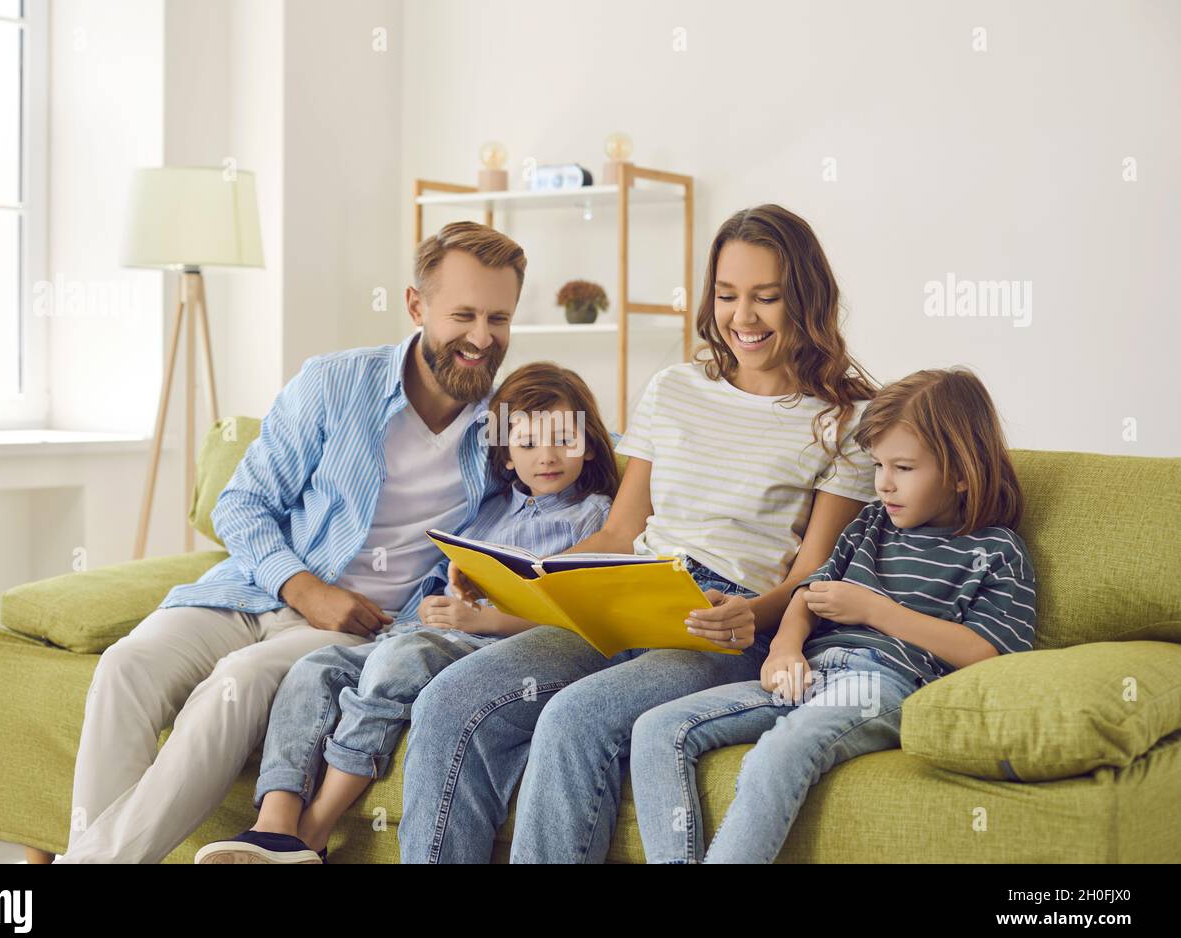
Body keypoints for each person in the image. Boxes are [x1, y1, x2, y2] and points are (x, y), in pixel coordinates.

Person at [399, 204, 882, 863]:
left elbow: (813, 574)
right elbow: (621, 530)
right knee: (449, 699)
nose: (743, 317)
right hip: (625, 594)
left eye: (766, 298)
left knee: (574, 720)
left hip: (725, 619)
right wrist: (511, 576)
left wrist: (751, 612)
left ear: (805, 298)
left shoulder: (843, 420)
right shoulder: (673, 387)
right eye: (728, 295)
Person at [55, 221, 525, 863]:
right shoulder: (334, 384)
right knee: (124, 667)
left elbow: (574, 500)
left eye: (498, 318)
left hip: (357, 628)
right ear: (416, 307)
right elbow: (241, 503)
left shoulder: (512, 428)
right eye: (463, 314)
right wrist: (305, 588)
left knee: (238, 683)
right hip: (251, 592)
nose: (481, 337)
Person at [194, 362, 619, 862]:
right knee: (314, 668)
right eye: (528, 444)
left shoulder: (596, 517)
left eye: (563, 440)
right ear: (505, 457)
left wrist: (481, 620)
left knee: (399, 662)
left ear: (589, 444)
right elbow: (448, 577)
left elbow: (572, 613)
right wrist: (440, 598)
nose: (546, 457)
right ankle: (274, 825)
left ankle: (313, 832)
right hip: (425, 630)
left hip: (490, 648)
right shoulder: (488, 509)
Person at [629, 367, 1036, 863]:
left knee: (780, 753)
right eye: (878, 465)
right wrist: (783, 649)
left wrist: (875, 610)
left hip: (886, 684)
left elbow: (987, 653)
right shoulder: (871, 523)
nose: (883, 485)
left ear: (960, 472)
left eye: (903, 469)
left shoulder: (996, 551)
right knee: (655, 731)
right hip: (811, 673)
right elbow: (807, 593)